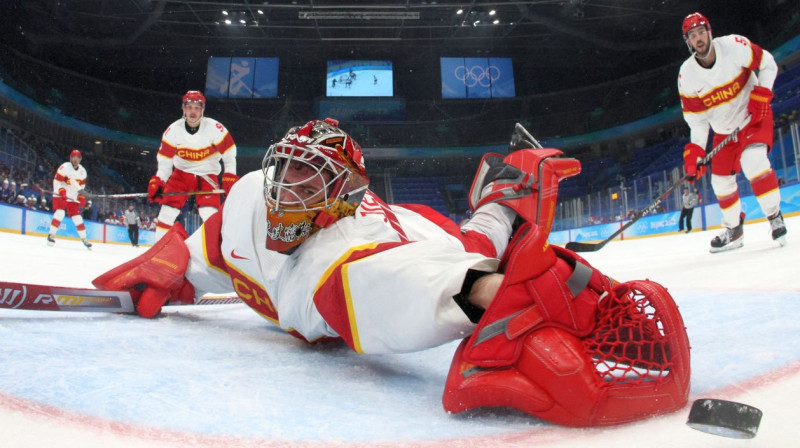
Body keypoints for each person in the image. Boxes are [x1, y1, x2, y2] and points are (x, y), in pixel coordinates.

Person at [93, 119, 690, 427]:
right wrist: (170, 270)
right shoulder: (253, 193)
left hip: (419, 234)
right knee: (469, 243)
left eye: (307, 181)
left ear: (343, 195)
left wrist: (489, 295)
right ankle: (501, 197)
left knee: (473, 245)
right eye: (284, 173)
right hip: (410, 231)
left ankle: (502, 198)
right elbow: (211, 243)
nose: (283, 193)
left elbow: (396, 286)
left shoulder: (339, 263)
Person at [678, 12, 787, 252]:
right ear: (688, 41)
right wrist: (696, 152)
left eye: (701, 32)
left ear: (710, 31)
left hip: (753, 118)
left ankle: (774, 216)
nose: (699, 39)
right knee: (720, 183)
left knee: (753, 161)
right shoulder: (687, 75)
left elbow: (768, 63)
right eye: (692, 35)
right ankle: (734, 229)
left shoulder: (734, 46)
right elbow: (697, 121)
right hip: (724, 133)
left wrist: (763, 94)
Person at [147, 90, 239, 241]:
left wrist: (229, 175)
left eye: (197, 108)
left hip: (207, 175)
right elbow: (165, 161)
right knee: (166, 212)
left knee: (209, 214)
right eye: (189, 107)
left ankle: (216, 251)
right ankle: (158, 249)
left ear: (202, 110)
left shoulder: (215, 128)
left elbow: (229, 153)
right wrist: (159, 180)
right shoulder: (173, 131)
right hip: (181, 174)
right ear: (183, 109)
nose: (193, 112)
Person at [47, 149, 91, 249]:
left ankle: (84, 239)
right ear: (70, 158)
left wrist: (81, 197)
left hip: (72, 196)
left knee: (77, 218)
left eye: (77, 157)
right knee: (60, 213)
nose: (75, 159)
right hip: (60, 194)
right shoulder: (64, 167)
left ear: (80, 159)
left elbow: (81, 188)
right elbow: (57, 182)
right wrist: (62, 192)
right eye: (73, 157)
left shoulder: (83, 171)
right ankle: (51, 235)